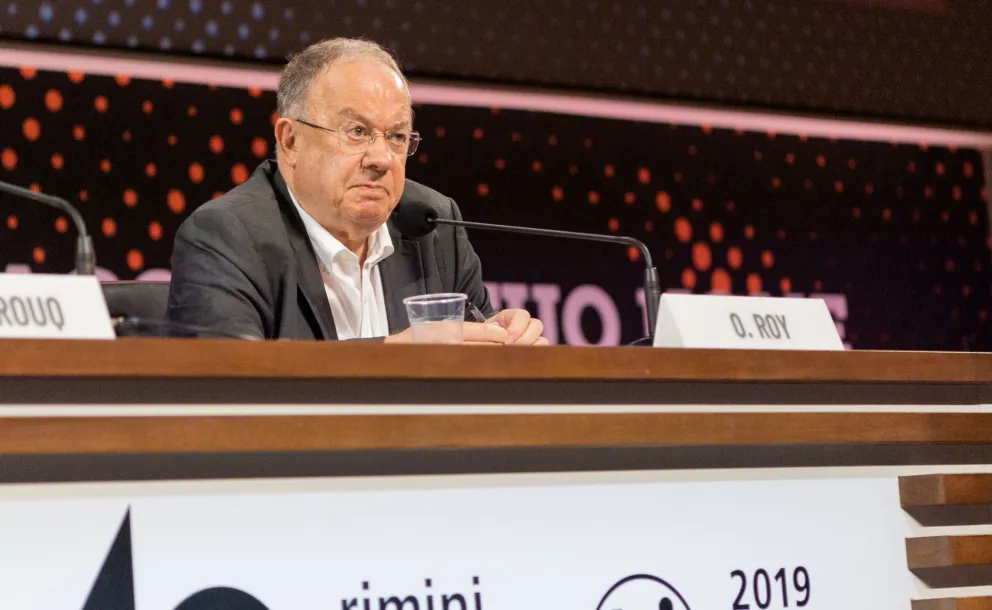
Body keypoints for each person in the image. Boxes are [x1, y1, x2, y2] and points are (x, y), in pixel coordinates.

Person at [166, 38, 546, 345]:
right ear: (290, 140)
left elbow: (474, 371)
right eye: (357, 132)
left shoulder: (433, 224)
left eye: (397, 137)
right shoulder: (225, 236)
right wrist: (390, 360)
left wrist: (503, 341)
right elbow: (229, 391)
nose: (381, 158)